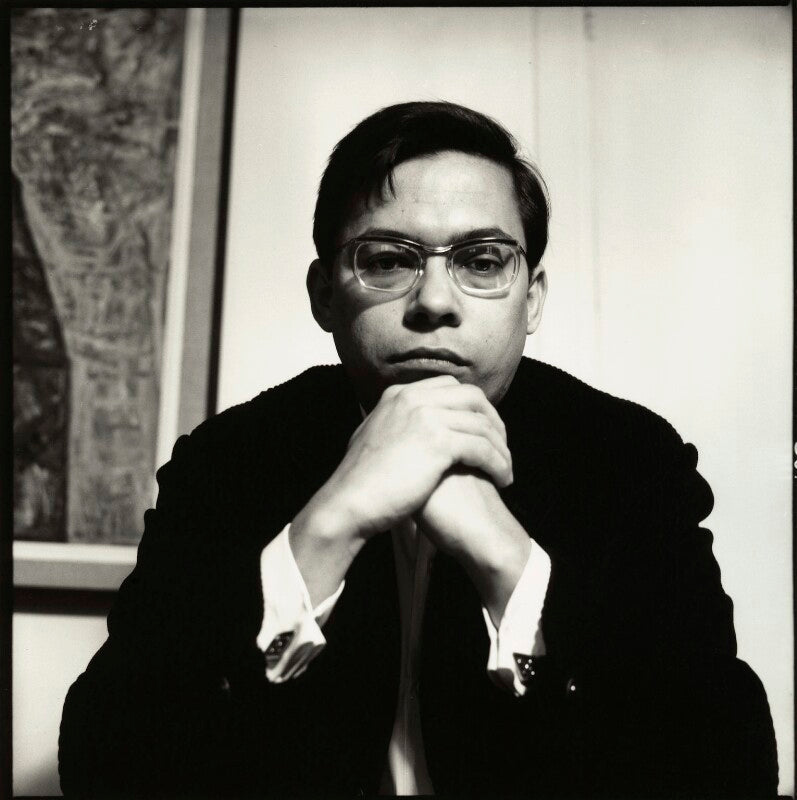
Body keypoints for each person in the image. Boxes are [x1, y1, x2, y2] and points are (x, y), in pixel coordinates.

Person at [59, 101, 778, 798]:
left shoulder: (629, 461)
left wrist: (513, 570)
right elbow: (104, 767)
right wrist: (325, 531)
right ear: (323, 295)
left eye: (482, 260)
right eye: (387, 260)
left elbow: (729, 773)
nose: (434, 302)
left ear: (530, 299)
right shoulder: (227, 462)